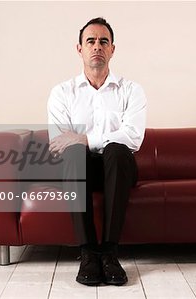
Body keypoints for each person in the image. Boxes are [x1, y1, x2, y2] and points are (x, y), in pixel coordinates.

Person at [47, 17, 147, 286]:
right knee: (74, 155)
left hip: (119, 169)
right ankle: (88, 252)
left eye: (104, 41)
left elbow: (133, 138)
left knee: (116, 149)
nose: (97, 47)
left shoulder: (131, 90)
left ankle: (110, 253)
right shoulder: (62, 93)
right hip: (82, 170)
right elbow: (60, 143)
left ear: (112, 49)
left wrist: (83, 138)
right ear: (79, 48)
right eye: (90, 41)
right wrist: (81, 144)